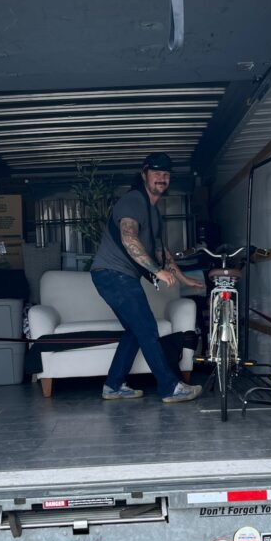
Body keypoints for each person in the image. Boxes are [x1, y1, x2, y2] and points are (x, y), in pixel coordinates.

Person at [90, 152, 205, 403]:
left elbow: (161, 252)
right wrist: (157, 271)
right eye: (156, 174)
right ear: (144, 175)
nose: (161, 179)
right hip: (113, 274)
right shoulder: (133, 201)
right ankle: (170, 387)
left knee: (135, 330)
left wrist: (184, 279)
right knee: (147, 328)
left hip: (115, 276)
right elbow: (128, 237)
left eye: (165, 175)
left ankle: (113, 385)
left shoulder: (153, 212)